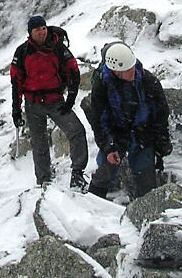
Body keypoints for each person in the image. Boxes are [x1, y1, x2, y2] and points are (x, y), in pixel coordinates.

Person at [10, 15, 89, 189]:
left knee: (76, 131)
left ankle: (77, 173)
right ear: (30, 33)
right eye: (37, 29)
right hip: (33, 103)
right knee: (39, 143)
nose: (42, 32)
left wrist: (70, 99)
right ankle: (44, 180)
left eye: (43, 28)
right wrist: (16, 109)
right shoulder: (22, 52)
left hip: (55, 101)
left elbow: (74, 71)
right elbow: (16, 82)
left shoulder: (58, 48)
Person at [85, 42, 171, 200]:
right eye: (128, 70)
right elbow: (99, 121)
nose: (133, 72)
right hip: (117, 134)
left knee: (147, 185)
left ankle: (145, 213)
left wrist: (161, 142)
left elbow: (160, 114)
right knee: (103, 175)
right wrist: (108, 148)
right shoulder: (102, 86)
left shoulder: (148, 81)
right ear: (116, 71)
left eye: (133, 67)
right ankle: (90, 208)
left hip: (142, 133)